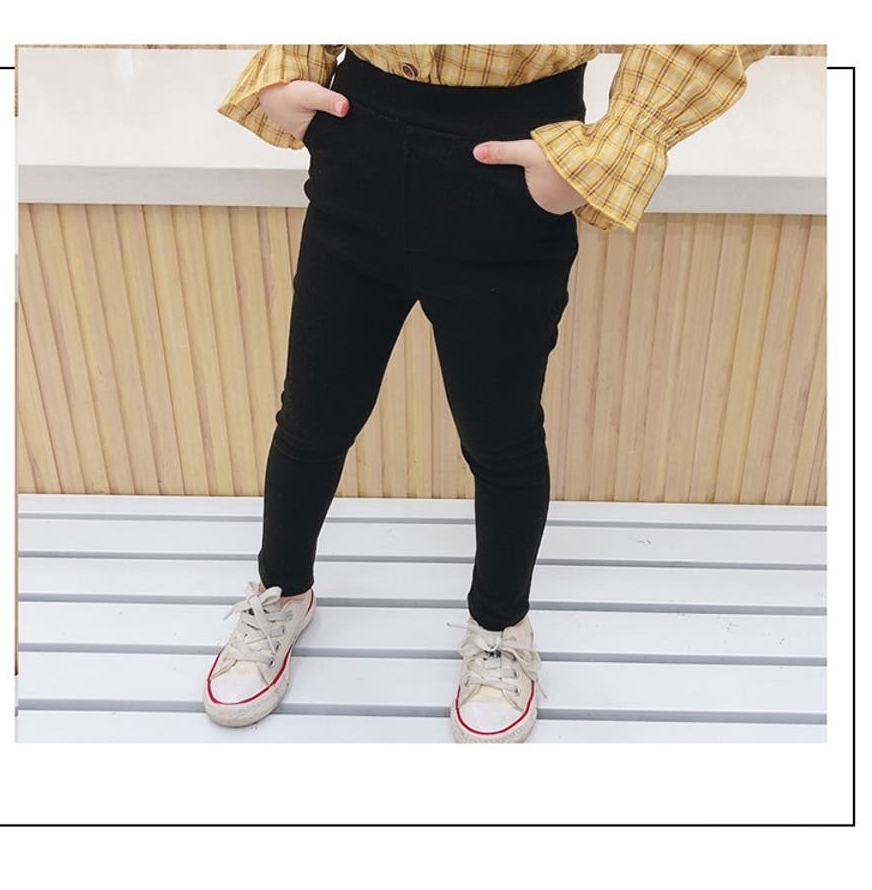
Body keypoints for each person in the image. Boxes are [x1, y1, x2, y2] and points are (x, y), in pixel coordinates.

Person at [203, 43, 772, 743]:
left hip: (512, 153)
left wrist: (618, 142)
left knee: (501, 435)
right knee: (313, 412)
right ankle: (282, 590)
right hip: (360, 132)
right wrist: (292, 56)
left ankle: (500, 627)